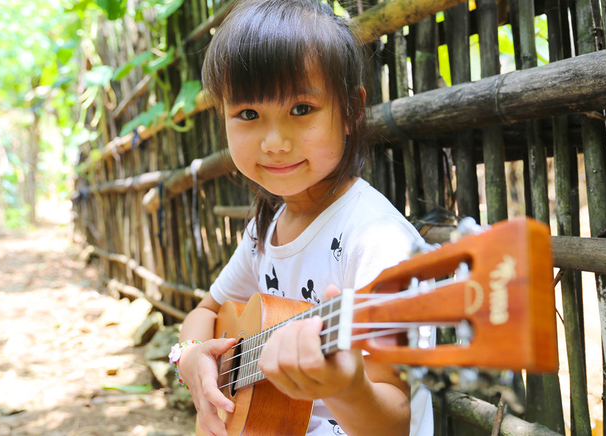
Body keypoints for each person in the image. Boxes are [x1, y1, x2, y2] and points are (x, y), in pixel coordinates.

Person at [172, 1, 434, 435]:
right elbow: (207, 308)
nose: (275, 143)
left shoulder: (378, 243)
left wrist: (347, 389)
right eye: (249, 115)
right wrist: (193, 354)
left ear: (350, 111)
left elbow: (394, 422)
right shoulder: (265, 229)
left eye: (301, 109)